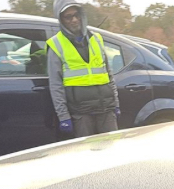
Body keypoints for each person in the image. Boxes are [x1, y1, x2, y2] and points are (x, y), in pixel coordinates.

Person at [46, 0, 121, 138]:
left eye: (76, 15)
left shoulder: (96, 39)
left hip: (105, 109)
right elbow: (56, 85)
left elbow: (109, 74)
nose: (74, 20)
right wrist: (63, 116)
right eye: (68, 17)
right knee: (87, 153)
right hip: (81, 114)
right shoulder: (56, 45)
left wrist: (115, 103)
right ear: (61, 19)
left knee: (112, 150)